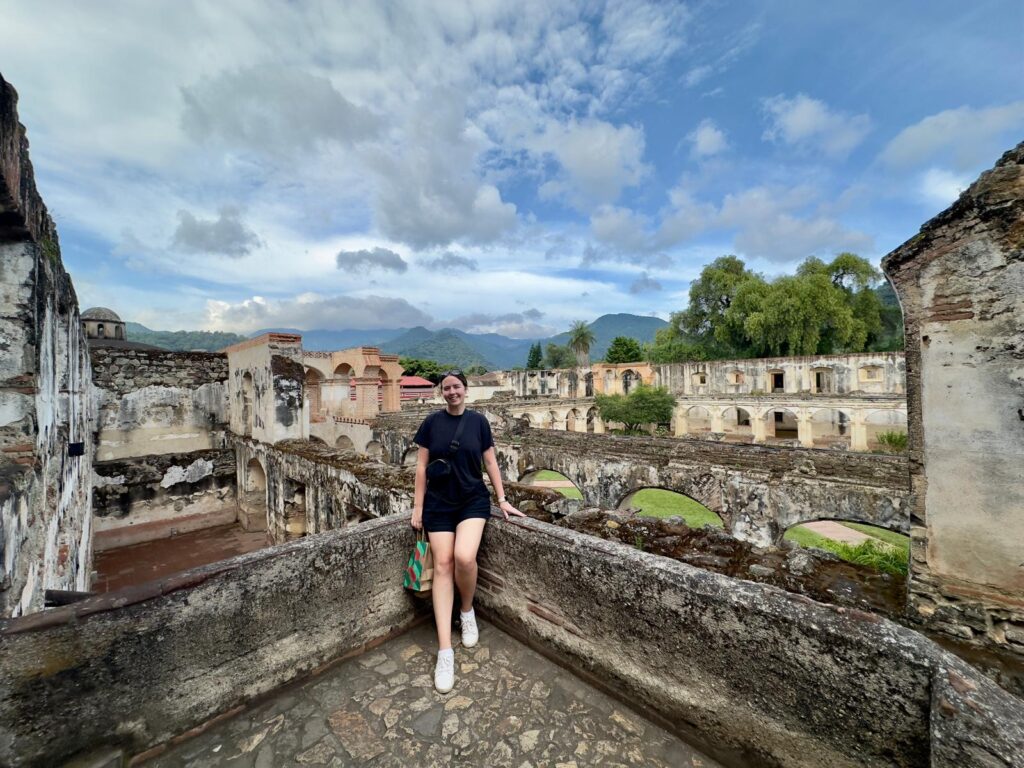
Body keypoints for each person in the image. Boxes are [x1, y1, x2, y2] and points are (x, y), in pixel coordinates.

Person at [411, 369, 524, 693]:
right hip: (438, 504)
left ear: (465, 390)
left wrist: (502, 499)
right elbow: (421, 467)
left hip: (473, 500)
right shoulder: (431, 423)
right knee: (443, 564)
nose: (451, 392)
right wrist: (418, 508)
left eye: (456, 387)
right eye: (446, 388)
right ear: (441, 392)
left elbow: (490, 463)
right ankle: (445, 651)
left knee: (463, 557)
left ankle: (467, 610)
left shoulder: (479, 423)